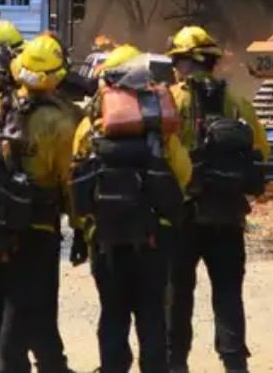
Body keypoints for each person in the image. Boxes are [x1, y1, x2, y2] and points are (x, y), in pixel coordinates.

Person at [0, 33, 78, 373]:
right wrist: (81, 226)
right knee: (20, 307)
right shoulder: (61, 121)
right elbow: (68, 180)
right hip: (35, 228)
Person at [73, 44, 192, 373]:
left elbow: (76, 178)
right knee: (151, 312)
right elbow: (183, 174)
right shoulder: (161, 127)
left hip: (105, 238)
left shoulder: (91, 127)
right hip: (153, 237)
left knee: (113, 311)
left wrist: (83, 229)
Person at [164, 25, 269, 373]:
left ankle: (175, 362)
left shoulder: (170, 101)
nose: (174, 68)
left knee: (177, 293)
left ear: (186, 62)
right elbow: (262, 152)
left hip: (183, 215)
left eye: (176, 61)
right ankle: (234, 362)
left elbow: (160, 154)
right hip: (228, 215)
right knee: (227, 292)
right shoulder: (237, 103)